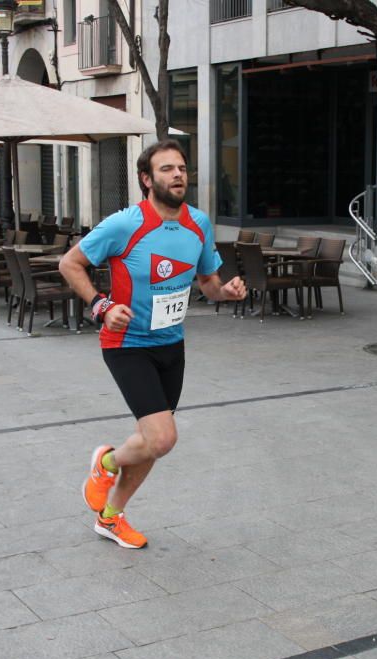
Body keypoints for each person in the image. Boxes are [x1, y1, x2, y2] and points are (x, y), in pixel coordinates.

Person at [59, 139, 246, 549]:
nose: (178, 174)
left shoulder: (199, 224)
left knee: (149, 442)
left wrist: (227, 292)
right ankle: (105, 463)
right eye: (166, 169)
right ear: (146, 179)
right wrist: (101, 304)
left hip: (171, 344)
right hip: (126, 342)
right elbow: (69, 263)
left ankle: (110, 518)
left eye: (181, 167)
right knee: (162, 438)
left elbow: (209, 286)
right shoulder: (124, 224)